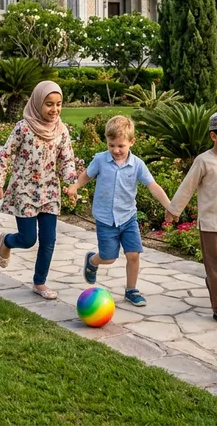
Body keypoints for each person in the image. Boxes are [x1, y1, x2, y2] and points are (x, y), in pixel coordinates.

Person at [66, 116, 173, 307]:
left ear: (132, 142)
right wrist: (75, 186)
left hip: (128, 217)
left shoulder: (137, 164)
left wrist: (169, 205)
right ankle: (92, 260)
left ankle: (131, 290)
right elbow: (86, 176)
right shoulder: (100, 160)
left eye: (121, 146)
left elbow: (152, 185)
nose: (115, 150)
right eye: (111, 145)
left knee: (133, 254)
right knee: (108, 257)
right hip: (105, 218)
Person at [0, 81, 77, 300]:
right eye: (49, 104)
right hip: (25, 191)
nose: (54, 109)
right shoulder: (24, 127)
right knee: (28, 239)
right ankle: (8, 241)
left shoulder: (61, 130)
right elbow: (6, 154)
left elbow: (66, 159)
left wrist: (71, 183)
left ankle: (40, 282)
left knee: (49, 239)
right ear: (37, 102)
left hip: (50, 191)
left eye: (59, 104)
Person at [166, 111, 217, 327]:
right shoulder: (203, 161)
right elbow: (188, 186)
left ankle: (215, 286)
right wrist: (174, 209)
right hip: (212, 224)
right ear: (214, 136)